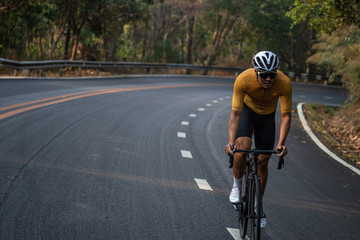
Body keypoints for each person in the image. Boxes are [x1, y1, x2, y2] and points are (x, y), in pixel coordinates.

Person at [224, 50, 292, 228]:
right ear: (256, 72)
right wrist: (231, 142)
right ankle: (237, 186)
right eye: (264, 75)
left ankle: (257, 206)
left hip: (267, 118)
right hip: (248, 112)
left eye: (272, 75)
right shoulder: (243, 79)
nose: (269, 79)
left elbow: (286, 116)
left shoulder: (284, 82)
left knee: (263, 161)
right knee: (242, 146)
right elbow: (235, 113)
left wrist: (281, 144)